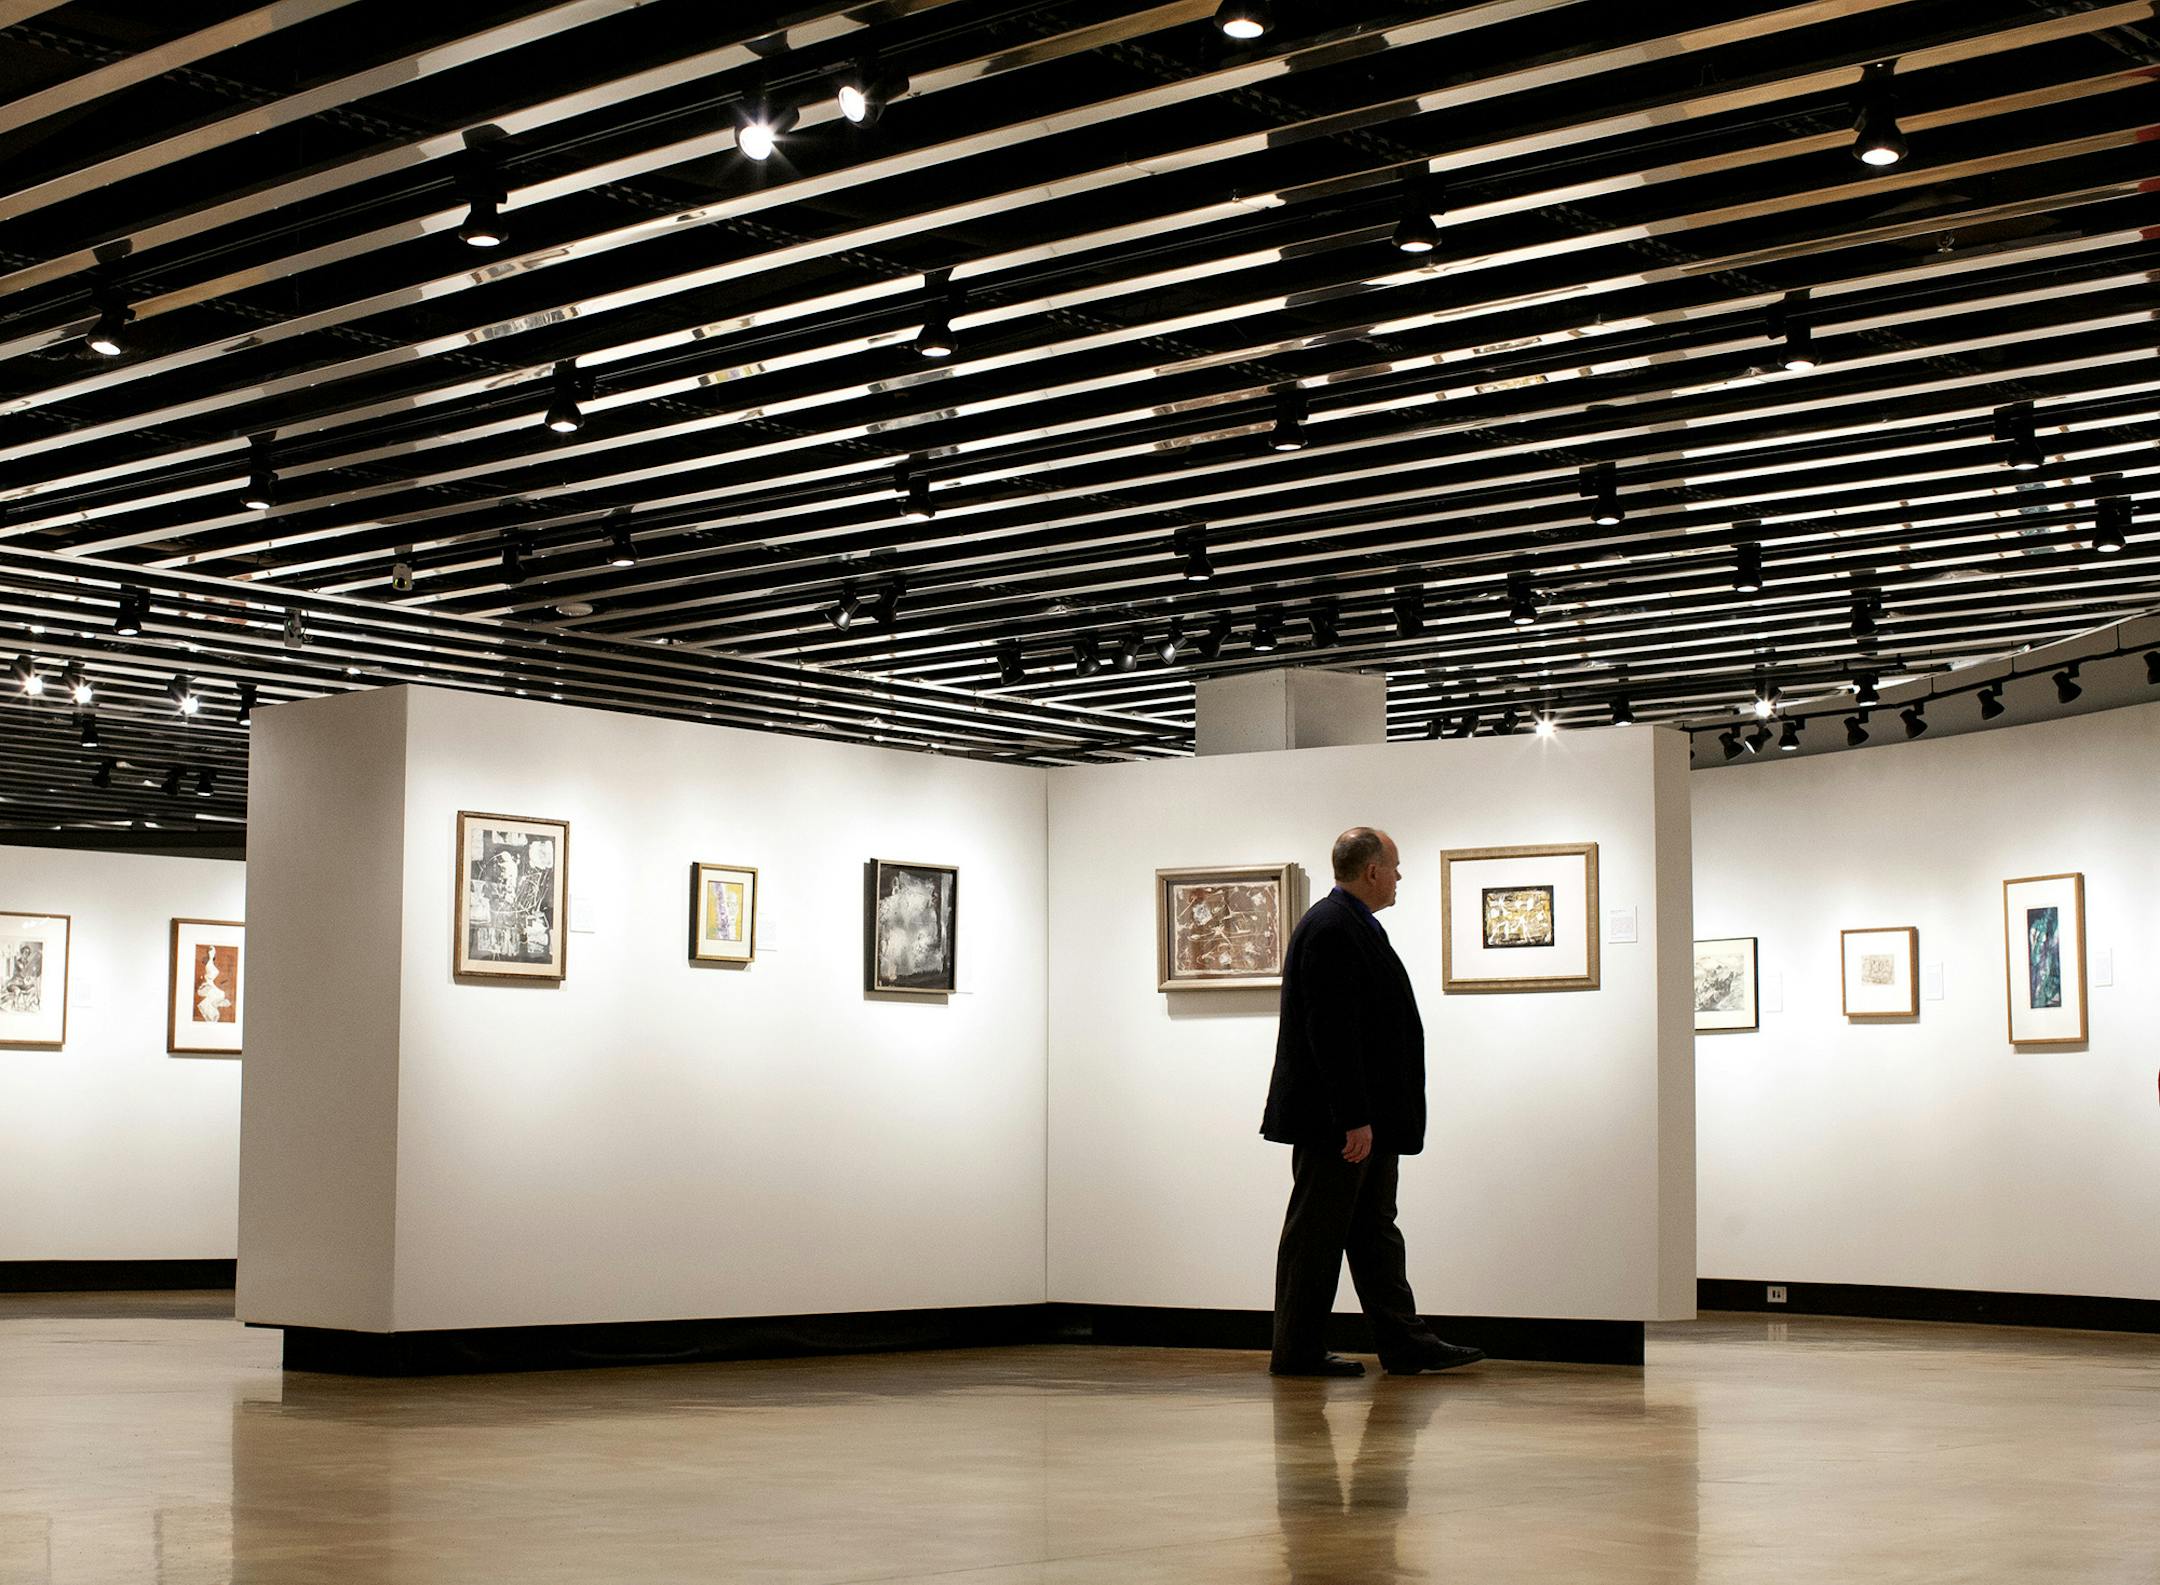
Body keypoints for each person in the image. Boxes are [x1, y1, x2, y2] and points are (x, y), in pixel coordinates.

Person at [1260, 826, 1485, 1378]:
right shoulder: (1333, 928)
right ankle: (1297, 1350)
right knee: (1317, 1234)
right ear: (1372, 871)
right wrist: (1352, 1119)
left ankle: (1405, 1342)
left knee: (1373, 1231)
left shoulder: (1350, 925)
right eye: (1396, 867)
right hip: (1339, 1125)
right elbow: (1330, 1032)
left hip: (1362, 1121)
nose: (1400, 877)